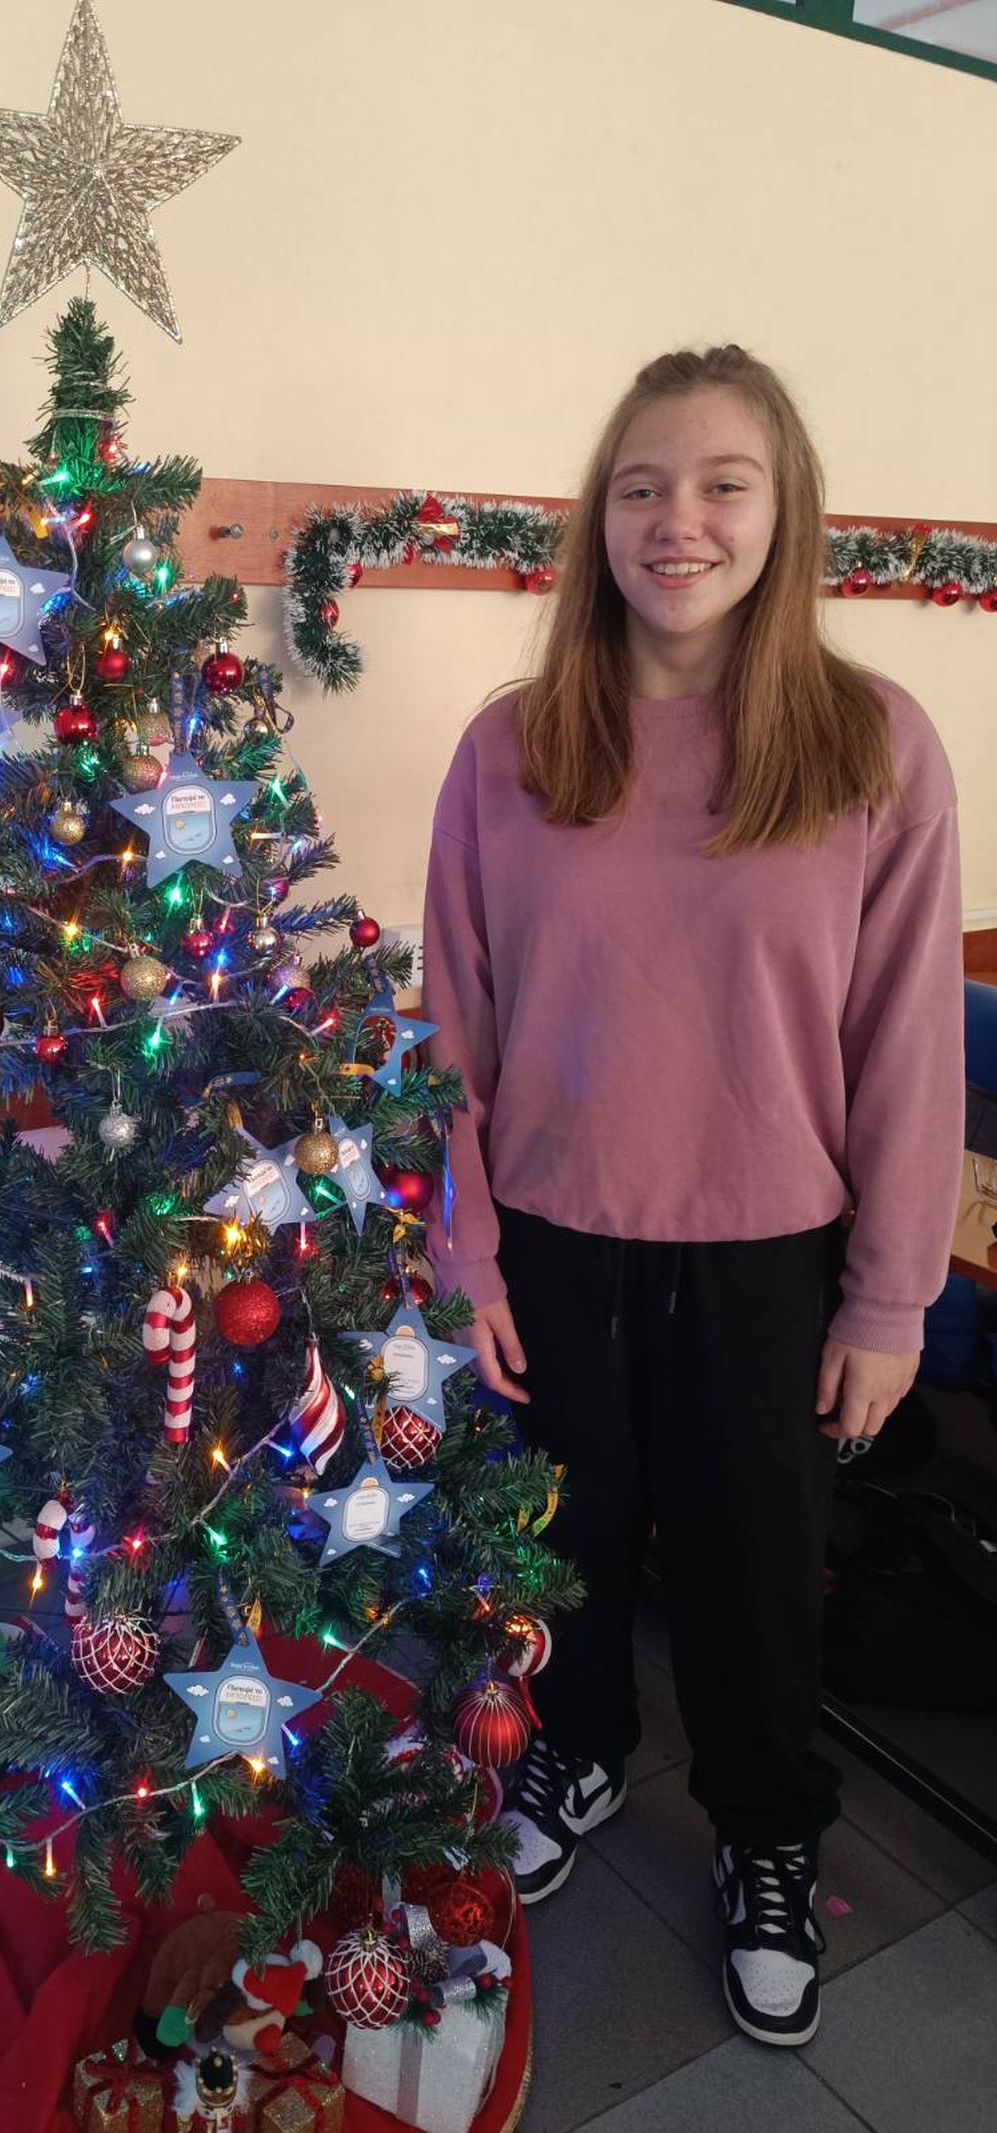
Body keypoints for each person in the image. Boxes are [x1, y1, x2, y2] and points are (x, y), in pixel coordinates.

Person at [421, 345, 965, 2048]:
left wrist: (892, 1297)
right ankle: (575, 1751)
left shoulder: (874, 745)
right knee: (564, 1550)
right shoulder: (512, 749)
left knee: (752, 1572)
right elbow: (452, 1022)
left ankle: (767, 1832)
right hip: (555, 1242)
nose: (680, 521)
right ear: (600, 515)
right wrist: (466, 1248)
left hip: (768, 1256)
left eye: (725, 483)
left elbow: (907, 1045)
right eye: (642, 485)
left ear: (783, 510)